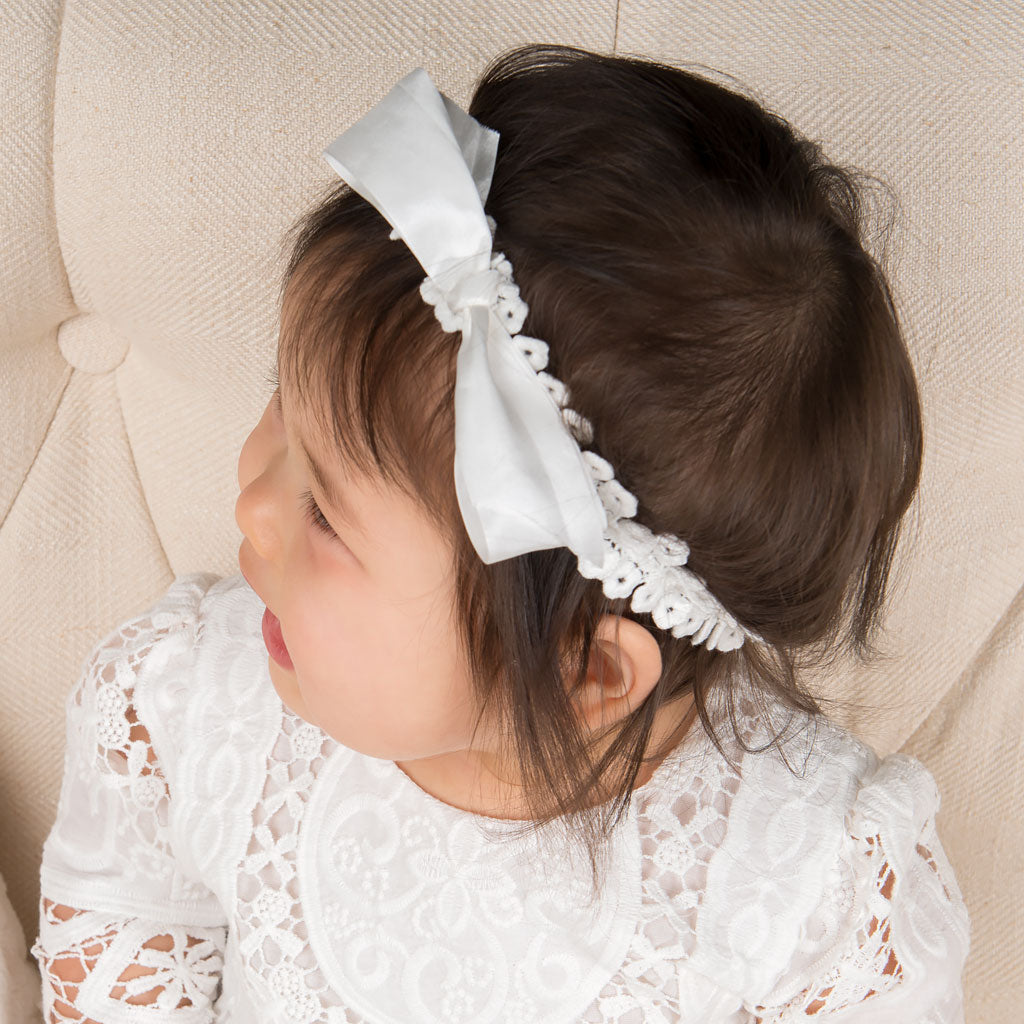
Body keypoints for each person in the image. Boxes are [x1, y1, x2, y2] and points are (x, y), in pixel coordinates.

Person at [31, 43, 969, 1023]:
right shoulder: (190, 705)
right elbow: (120, 939)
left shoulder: (806, 888)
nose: (250, 507)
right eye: (281, 402)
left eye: (325, 515)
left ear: (587, 673)